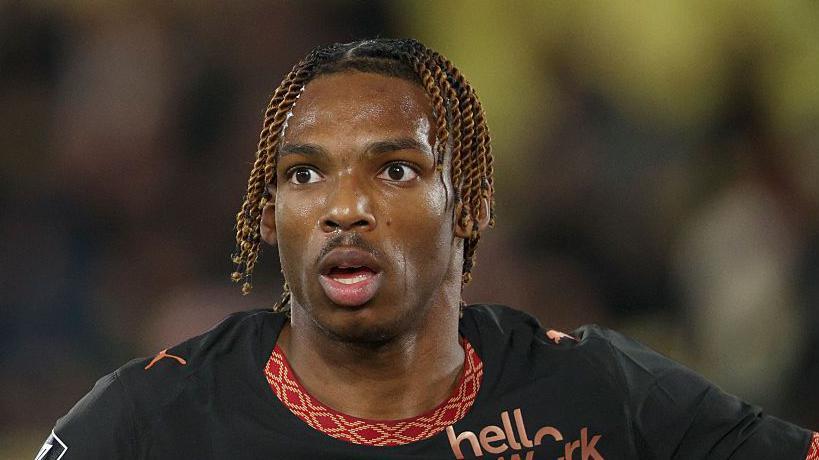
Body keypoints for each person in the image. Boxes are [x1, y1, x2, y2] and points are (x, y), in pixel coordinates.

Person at [37, 38, 817, 460]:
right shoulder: (150, 420)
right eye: (305, 174)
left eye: (395, 170)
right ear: (269, 215)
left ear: (469, 204)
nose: (345, 208)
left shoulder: (599, 394)